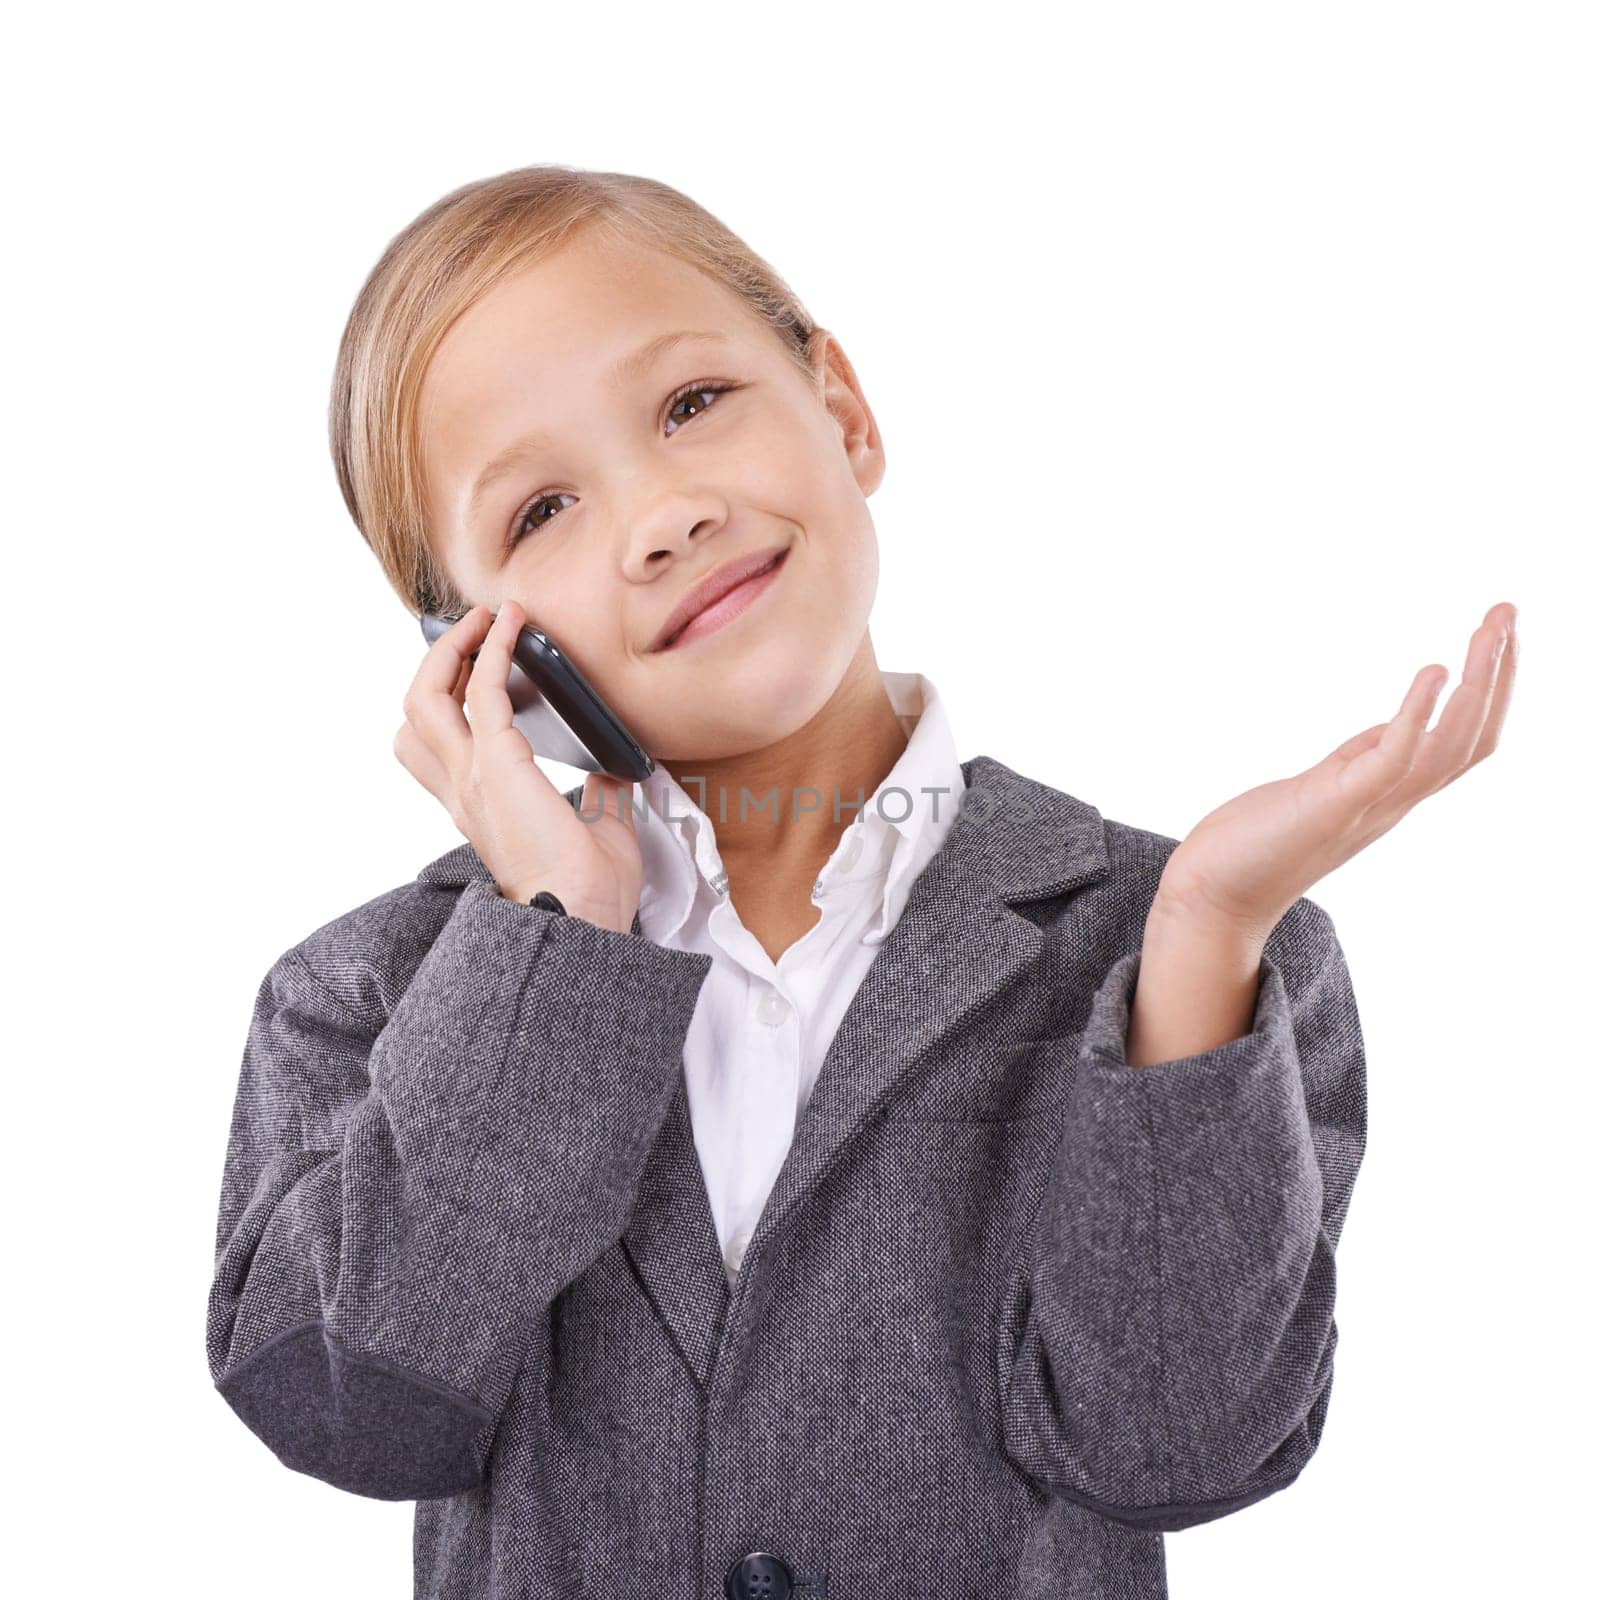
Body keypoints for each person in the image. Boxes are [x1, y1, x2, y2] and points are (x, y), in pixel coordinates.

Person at [205, 164, 1518, 1600]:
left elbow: (1178, 1448)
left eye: (692, 404)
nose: (662, 514)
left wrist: (1200, 936)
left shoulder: (1196, 962)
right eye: (540, 511)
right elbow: (350, 1407)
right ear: (477, 656)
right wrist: (548, 947)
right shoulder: (367, 995)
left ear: (844, 412)